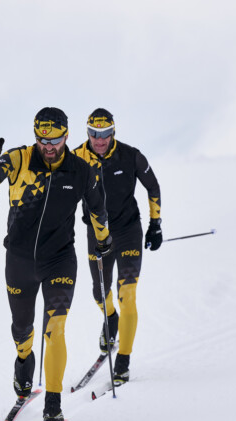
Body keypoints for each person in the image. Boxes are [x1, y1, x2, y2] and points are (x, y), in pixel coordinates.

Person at [0, 107, 111, 421]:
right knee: (21, 330)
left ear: (66, 136)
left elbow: (97, 208)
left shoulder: (80, 170)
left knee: (55, 330)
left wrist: (103, 239)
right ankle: (24, 363)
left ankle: (53, 404)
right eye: (42, 139)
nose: (48, 146)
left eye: (55, 140)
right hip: (19, 261)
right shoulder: (18, 159)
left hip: (59, 260)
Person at [72, 108, 162, 386]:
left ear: (113, 132)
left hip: (128, 231)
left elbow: (153, 186)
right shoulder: (75, 159)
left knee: (128, 294)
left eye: (105, 134)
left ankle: (123, 360)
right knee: (100, 293)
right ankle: (110, 318)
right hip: (97, 234)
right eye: (94, 134)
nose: (100, 140)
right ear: (87, 133)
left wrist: (155, 224)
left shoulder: (130, 155)